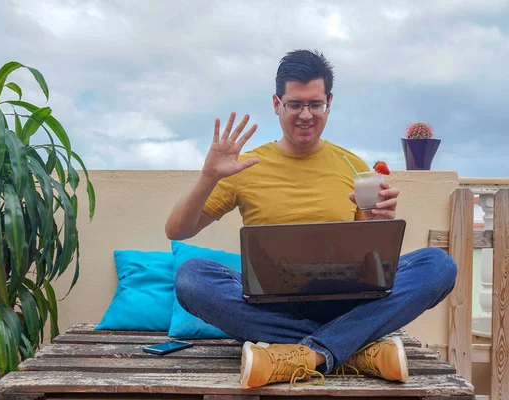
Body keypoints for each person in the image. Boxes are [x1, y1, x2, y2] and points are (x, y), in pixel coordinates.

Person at [164, 49, 457, 388]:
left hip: (345, 302)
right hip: (271, 309)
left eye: (315, 104)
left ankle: (303, 354)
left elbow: (371, 263)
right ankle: (352, 349)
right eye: (295, 104)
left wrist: (378, 221)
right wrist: (208, 176)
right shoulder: (245, 167)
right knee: (190, 278)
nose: (306, 115)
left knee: (439, 265)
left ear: (328, 102)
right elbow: (178, 230)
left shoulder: (352, 165)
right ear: (277, 104)